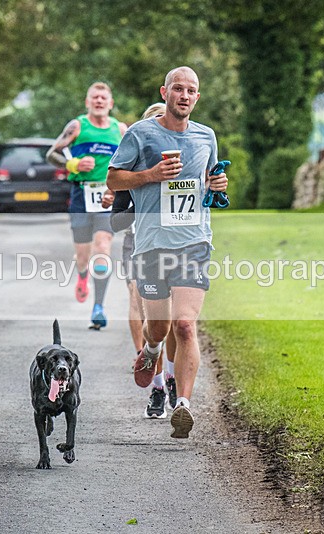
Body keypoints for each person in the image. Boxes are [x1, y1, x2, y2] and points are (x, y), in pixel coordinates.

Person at [107, 67, 228, 438]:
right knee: (158, 328)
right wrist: (151, 175)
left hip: (194, 243)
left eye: (192, 90)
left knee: (186, 325)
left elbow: (209, 181)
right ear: (165, 92)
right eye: (179, 88)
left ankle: (183, 406)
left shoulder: (206, 136)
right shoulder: (141, 134)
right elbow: (113, 178)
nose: (185, 95)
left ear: (197, 97)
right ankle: (150, 351)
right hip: (151, 245)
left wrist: (218, 183)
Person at [111, 102, 178, 419]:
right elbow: (117, 222)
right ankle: (154, 382)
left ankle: (170, 379)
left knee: (174, 321)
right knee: (140, 303)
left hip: (177, 246)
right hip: (138, 244)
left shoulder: (184, 166)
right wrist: (130, 198)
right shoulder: (134, 169)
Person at [47, 82, 128, 329]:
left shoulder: (121, 130)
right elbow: (52, 154)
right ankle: (82, 276)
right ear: (87, 102)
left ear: (111, 103)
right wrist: (74, 165)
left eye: (104, 97)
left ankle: (99, 306)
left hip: (107, 197)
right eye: (95, 97)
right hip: (82, 195)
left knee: (102, 247)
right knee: (83, 257)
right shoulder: (77, 126)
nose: (99, 101)